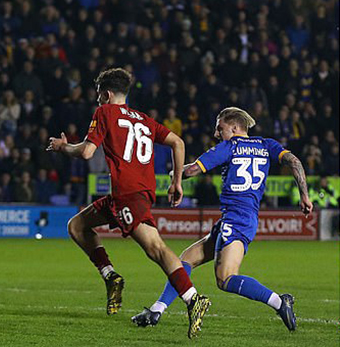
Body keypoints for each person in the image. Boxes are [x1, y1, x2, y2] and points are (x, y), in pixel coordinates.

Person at [47, 67, 211, 339]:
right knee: (77, 225)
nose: (98, 101)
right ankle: (111, 276)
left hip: (128, 195)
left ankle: (194, 299)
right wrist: (177, 181)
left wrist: (64, 147)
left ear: (106, 94)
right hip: (128, 195)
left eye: (100, 96)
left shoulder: (105, 112)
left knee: (156, 248)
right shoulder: (145, 120)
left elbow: (87, 152)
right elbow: (177, 142)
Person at [131, 107, 313, 332]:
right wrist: (304, 194)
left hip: (236, 221)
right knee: (185, 260)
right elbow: (294, 161)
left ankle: (279, 301)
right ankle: (157, 310)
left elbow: (191, 171)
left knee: (225, 278)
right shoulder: (267, 145)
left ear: (235, 128)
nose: (217, 134)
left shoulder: (229, 147)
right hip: (239, 218)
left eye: (221, 129)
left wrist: (172, 174)